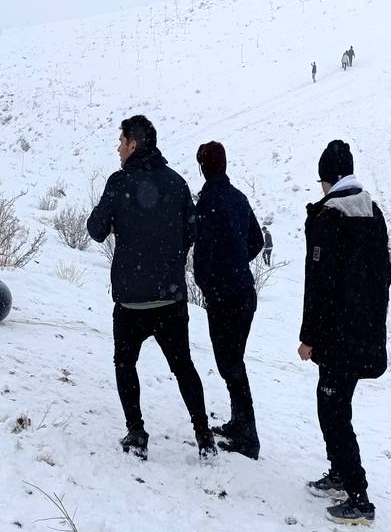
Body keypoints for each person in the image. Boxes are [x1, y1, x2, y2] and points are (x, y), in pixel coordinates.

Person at [87, 115, 214, 460]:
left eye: (121, 141)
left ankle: (137, 432)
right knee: (183, 365)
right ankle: (204, 436)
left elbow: (96, 229)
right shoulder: (176, 183)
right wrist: (168, 258)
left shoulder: (119, 182)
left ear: (133, 144)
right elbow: (191, 232)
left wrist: (118, 221)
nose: (117, 148)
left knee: (125, 363)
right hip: (170, 297)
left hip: (131, 300)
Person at [299, 140, 391, 526]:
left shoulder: (329, 216)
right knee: (338, 406)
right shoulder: (373, 211)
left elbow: (319, 285)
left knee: (332, 410)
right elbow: (383, 276)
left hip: (338, 337)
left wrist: (309, 337)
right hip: (365, 332)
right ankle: (339, 473)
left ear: (329, 178)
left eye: (321, 180)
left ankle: (358, 498)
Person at [192, 141, 265, 459]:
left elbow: (203, 252)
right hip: (244, 293)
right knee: (233, 361)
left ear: (203, 167)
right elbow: (257, 241)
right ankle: (239, 424)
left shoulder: (207, 201)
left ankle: (248, 436)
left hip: (224, 296)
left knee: (230, 363)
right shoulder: (238, 198)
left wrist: (207, 280)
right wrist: (237, 263)